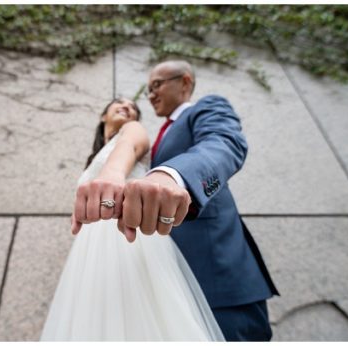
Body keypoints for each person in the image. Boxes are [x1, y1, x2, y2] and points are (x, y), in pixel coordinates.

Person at [41, 98, 224, 341]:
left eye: (133, 108)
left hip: (128, 238)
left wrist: (113, 172)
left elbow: (130, 144)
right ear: (103, 115)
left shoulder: (132, 130)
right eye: (119, 103)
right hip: (87, 252)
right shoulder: (95, 156)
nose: (127, 107)